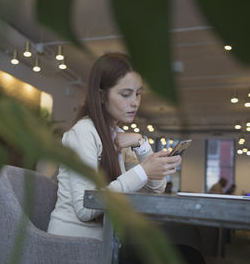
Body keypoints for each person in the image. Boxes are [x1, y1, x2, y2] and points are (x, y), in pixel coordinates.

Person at [47, 53, 202, 263]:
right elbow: (85, 208)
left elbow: (156, 189)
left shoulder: (118, 136)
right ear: (101, 96)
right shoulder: (83, 132)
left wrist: (141, 143)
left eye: (138, 94)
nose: (135, 103)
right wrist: (144, 170)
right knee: (184, 255)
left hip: (106, 242)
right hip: (75, 246)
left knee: (187, 249)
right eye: (126, 94)